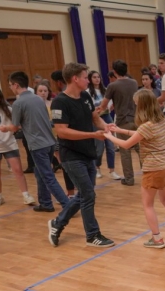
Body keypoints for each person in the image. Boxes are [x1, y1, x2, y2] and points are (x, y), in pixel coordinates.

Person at [104, 90, 165, 248]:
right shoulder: (162, 119)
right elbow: (142, 134)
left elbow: (127, 144)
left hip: (154, 168)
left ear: (141, 106)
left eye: (136, 104)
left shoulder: (146, 126)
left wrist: (109, 136)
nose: (135, 107)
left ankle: (157, 238)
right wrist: (120, 131)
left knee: (148, 204)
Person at [47, 62, 114, 248]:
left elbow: (94, 117)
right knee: (88, 194)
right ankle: (92, 235)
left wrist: (105, 126)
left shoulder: (85, 95)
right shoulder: (60, 102)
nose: (88, 80)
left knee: (85, 194)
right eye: (85, 77)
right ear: (75, 79)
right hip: (71, 155)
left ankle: (57, 223)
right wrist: (93, 134)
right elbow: (62, 131)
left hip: (87, 152)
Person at [6, 71, 69, 211]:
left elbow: (15, 127)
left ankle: (67, 204)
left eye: (10, 85)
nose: (10, 87)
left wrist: (3, 127)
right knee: (39, 172)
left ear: (16, 85)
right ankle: (46, 203)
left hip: (38, 145)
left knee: (47, 176)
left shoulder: (18, 103)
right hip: (50, 142)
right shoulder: (38, 99)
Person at [96, 59, 140, 186]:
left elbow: (103, 105)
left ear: (114, 72)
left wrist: (94, 112)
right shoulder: (134, 82)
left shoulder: (112, 86)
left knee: (125, 151)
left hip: (122, 121)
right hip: (136, 119)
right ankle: (149, 173)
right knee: (140, 148)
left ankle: (129, 179)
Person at [0, 87, 36, 207]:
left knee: (18, 170)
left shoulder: (9, 109)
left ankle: (26, 195)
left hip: (9, 144)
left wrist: (9, 129)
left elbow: (18, 125)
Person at [87, 70, 120, 180]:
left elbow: (110, 105)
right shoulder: (87, 92)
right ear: (90, 79)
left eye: (98, 77)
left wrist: (107, 108)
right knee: (99, 148)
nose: (97, 79)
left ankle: (112, 170)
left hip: (106, 117)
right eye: (94, 77)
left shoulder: (105, 90)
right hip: (96, 119)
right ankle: (97, 168)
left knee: (110, 146)